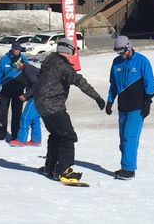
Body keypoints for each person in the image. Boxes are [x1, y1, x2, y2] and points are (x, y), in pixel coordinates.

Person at [34, 38, 106, 185]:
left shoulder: (49, 60)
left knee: (56, 135)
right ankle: (64, 171)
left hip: (40, 105)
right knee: (68, 136)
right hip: (53, 106)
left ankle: (51, 167)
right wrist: (97, 97)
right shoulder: (63, 67)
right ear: (69, 51)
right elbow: (79, 81)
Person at [106, 36, 154, 180]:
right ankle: (126, 166)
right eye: (118, 52)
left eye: (122, 51)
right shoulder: (116, 63)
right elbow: (113, 84)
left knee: (130, 137)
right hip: (123, 107)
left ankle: (128, 169)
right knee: (122, 139)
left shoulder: (141, 61)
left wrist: (147, 103)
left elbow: (149, 83)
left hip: (137, 107)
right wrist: (110, 101)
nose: (121, 55)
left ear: (129, 46)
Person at [0, 42, 29, 142]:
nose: (17, 51)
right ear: (12, 49)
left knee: (17, 113)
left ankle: (15, 135)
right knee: (2, 112)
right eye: (16, 49)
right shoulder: (4, 59)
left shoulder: (24, 60)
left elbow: (29, 74)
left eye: (19, 49)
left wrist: (28, 92)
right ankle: (1, 134)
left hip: (18, 89)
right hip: (6, 89)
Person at [13, 63, 43, 147]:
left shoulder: (27, 69)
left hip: (37, 96)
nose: (15, 68)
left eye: (15, 65)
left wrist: (26, 95)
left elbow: (36, 85)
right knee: (35, 118)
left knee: (25, 117)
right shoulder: (29, 68)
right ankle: (36, 140)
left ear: (19, 63)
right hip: (41, 96)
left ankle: (21, 140)